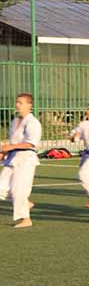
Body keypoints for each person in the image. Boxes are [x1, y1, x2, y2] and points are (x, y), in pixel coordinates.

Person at [0, 93, 42, 228]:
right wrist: (4, 152)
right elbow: (13, 142)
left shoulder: (33, 122)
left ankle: (26, 219)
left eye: (21, 102)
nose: (17, 105)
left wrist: (10, 147)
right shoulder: (14, 121)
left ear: (30, 105)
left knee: (19, 190)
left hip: (26, 159)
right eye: (17, 102)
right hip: (12, 158)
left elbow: (31, 143)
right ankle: (26, 203)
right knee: (1, 188)